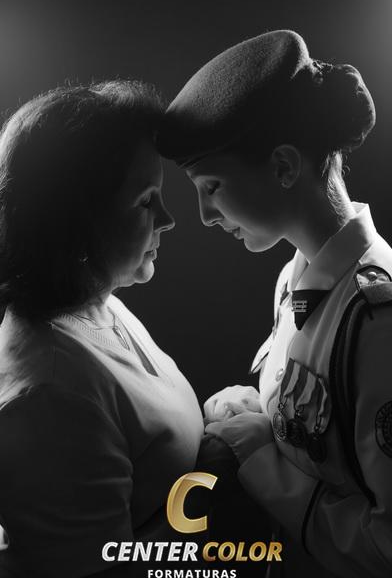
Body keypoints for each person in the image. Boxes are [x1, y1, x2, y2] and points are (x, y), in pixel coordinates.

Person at [157, 30, 392, 577]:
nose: (205, 216)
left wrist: (263, 461)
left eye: (211, 187)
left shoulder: (378, 321)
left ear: (285, 167)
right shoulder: (294, 278)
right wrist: (258, 411)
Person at [0, 81, 204, 577]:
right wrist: (224, 474)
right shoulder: (48, 399)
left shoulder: (97, 304)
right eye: (146, 201)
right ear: (75, 221)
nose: (168, 220)